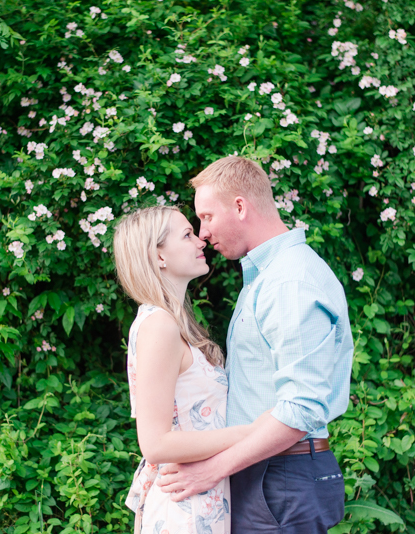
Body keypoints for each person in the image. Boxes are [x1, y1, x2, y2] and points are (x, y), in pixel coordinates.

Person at [156, 156, 354, 533]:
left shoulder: (290, 282)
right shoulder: (267, 278)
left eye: (207, 217)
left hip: (279, 477)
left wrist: (211, 470)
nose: (202, 233)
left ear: (240, 206)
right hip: (267, 472)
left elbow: (300, 409)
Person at [113, 205, 271, 534]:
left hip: (199, 503)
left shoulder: (172, 323)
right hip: (184, 512)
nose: (201, 239)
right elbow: (155, 444)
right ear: (158, 257)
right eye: (186, 235)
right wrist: (254, 431)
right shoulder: (159, 326)